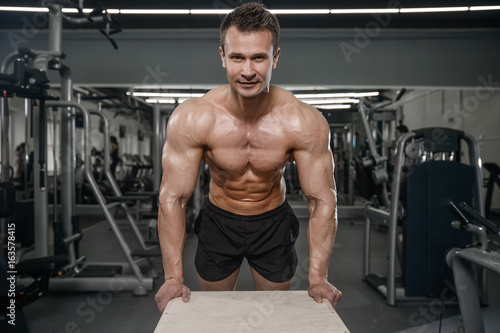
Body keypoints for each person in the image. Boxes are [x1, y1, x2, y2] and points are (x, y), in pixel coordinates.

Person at [155, 3, 341, 313]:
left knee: (270, 312)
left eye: (259, 58)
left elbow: (322, 199)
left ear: (275, 58)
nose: (247, 71)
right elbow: (172, 197)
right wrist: (173, 277)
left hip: (273, 221)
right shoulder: (194, 118)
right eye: (237, 57)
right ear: (222, 57)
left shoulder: (302, 121)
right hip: (219, 220)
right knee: (216, 310)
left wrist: (319, 277)